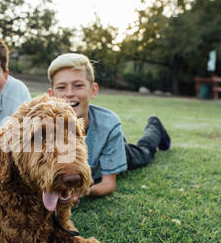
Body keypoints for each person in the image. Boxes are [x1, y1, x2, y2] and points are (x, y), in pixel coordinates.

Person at [48, 53, 171, 199]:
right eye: (61, 88)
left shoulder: (108, 125)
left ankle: (154, 125)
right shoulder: (43, 128)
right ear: (51, 95)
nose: (69, 93)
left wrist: (86, 191)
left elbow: (108, 184)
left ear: (93, 90)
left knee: (145, 152)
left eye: (78, 85)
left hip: (117, 148)